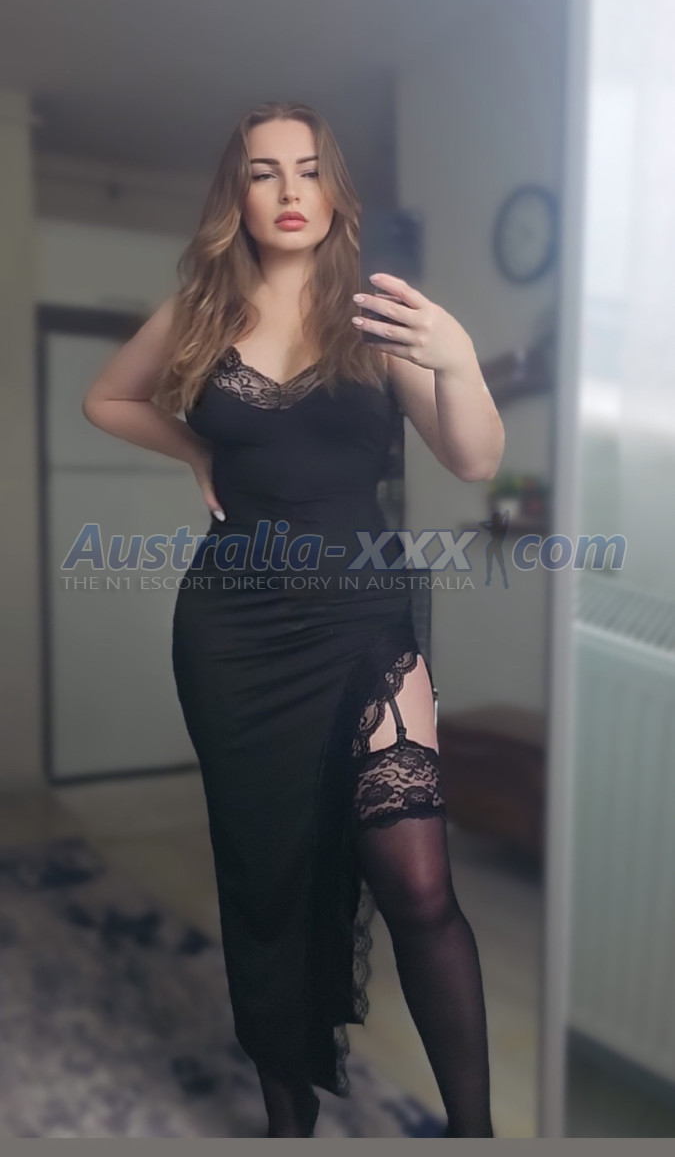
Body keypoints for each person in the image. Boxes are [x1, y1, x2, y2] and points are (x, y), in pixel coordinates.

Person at [82, 100, 504, 1138]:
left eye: (307, 169)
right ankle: (289, 1125)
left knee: (419, 888)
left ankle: (479, 1136)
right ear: (237, 194)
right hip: (233, 632)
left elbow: (474, 459)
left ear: (333, 191)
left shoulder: (378, 318)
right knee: (263, 878)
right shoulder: (199, 313)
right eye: (263, 171)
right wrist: (197, 448)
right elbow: (108, 399)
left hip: (364, 625)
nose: (287, 190)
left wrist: (456, 359)